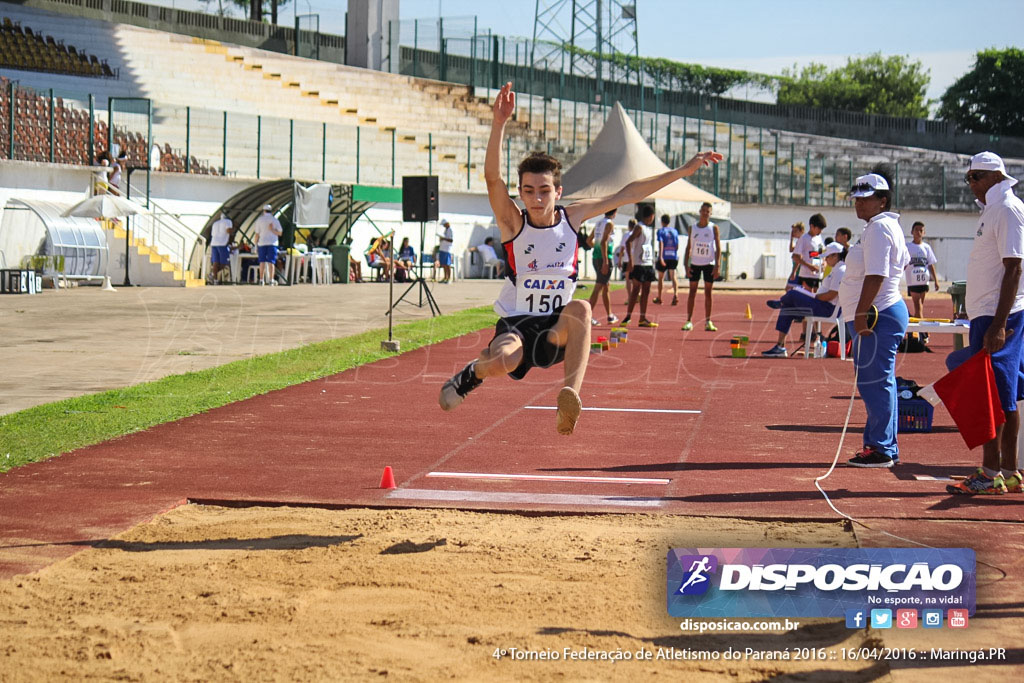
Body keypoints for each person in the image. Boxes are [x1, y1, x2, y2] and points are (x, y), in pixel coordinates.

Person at [438, 81, 721, 435]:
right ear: (522, 193)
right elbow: (493, 178)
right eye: (528, 191)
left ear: (559, 191)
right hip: (518, 323)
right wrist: (498, 124)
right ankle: (472, 374)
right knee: (503, 362)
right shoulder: (513, 222)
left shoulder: (573, 218)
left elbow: (628, 191)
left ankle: (570, 394)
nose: (537, 199)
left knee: (583, 309)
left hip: (558, 328)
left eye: (544, 191)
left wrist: (681, 171)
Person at [947, 152, 1024, 495]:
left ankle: (993, 472)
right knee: (1001, 395)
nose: (970, 184)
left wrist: (998, 323)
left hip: (1000, 317)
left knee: (993, 396)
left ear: (995, 176)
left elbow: (1014, 268)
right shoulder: (994, 209)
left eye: (975, 177)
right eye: (969, 178)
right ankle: (1007, 471)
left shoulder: (1007, 208)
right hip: (990, 314)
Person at [838, 171, 910, 468]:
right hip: (878, 312)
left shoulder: (880, 228)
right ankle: (882, 446)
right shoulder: (880, 226)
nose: (859, 204)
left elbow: (877, 274)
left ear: (883, 200)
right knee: (879, 381)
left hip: (875, 315)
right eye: (856, 198)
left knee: (875, 382)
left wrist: (860, 313)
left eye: (865, 199)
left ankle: (881, 448)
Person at [761, 242, 846, 357]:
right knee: (788, 308)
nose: (825, 259)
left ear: (835, 256)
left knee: (794, 293)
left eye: (827, 257)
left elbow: (832, 294)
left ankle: (781, 302)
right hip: (822, 304)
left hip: (827, 308)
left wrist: (816, 296)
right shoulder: (836, 269)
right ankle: (780, 347)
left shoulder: (840, 270)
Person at [681, 202, 722, 331]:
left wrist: (718, 264)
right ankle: (688, 320)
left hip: (709, 264)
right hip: (695, 263)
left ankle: (708, 321)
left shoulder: (713, 228)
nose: (705, 213)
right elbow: (689, 246)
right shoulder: (692, 228)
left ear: (710, 213)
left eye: (708, 211)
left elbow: (718, 247)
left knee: (708, 292)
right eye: (703, 210)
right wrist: (686, 264)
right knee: (692, 291)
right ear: (700, 211)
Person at [621, 205, 660, 327]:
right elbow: (628, 242)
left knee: (646, 291)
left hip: (647, 263)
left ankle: (642, 318)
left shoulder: (649, 229)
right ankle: (628, 316)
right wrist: (631, 261)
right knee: (636, 290)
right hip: (638, 264)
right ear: (651, 216)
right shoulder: (639, 227)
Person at [587, 208, 619, 326]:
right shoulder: (609, 224)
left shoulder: (599, 223)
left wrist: (595, 250)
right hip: (605, 258)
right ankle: (587, 316)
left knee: (606, 286)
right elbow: (603, 242)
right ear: (615, 213)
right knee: (599, 286)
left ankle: (610, 315)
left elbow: (589, 240)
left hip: (596, 257)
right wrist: (605, 261)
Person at [904, 221, 939, 319]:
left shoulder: (926, 247)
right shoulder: (907, 247)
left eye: (921, 230)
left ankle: (915, 331)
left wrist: (936, 281)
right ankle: (922, 332)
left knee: (920, 307)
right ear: (912, 232)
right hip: (913, 281)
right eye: (916, 230)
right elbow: (903, 263)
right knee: (918, 306)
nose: (918, 232)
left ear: (924, 233)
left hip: (924, 281)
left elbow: (931, 264)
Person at [793, 213, 827, 291]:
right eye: (819, 229)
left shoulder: (819, 238)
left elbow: (821, 253)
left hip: (818, 274)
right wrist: (809, 266)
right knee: (808, 297)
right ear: (812, 226)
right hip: (806, 275)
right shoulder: (804, 238)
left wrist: (824, 263)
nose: (820, 231)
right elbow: (795, 256)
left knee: (817, 297)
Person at [253, 204, 283, 285]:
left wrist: (255, 244)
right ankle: (271, 280)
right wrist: (272, 230)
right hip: (272, 243)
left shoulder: (259, 220)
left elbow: (257, 234)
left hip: (262, 243)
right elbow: (280, 233)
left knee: (261, 261)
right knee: (271, 262)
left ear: (263, 211)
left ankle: (261, 280)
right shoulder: (275, 220)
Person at [654, 213, 679, 306]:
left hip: (664, 256)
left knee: (661, 277)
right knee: (673, 276)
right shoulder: (675, 231)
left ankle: (660, 297)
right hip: (673, 256)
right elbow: (677, 244)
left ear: (662, 222)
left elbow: (661, 243)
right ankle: (676, 294)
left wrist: (660, 256)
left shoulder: (661, 231)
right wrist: (674, 252)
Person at [209, 211, 234, 284]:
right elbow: (228, 230)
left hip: (214, 243)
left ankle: (215, 279)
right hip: (222, 244)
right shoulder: (228, 221)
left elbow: (212, 234)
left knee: (215, 262)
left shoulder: (215, 223)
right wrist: (233, 231)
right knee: (224, 263)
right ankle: (213, 274)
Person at [784, 222, 805, 291]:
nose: (793, 233)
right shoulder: (798, 242)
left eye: (795, 231)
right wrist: (791, 239)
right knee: (791, 289)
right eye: (793, 231)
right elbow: (791, 249)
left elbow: (799, 257)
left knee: (789, 289)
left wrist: (794, 272)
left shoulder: (802, 242)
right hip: (796, 270)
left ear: (801, 231)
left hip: (799, 271)